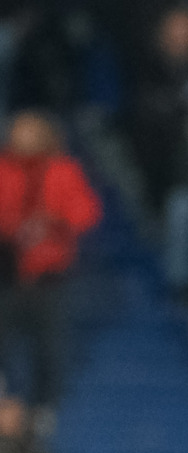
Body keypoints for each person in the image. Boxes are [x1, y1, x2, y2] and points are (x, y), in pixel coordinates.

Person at [0, 112, 103, 419]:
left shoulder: (64, 170)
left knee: (49, 345)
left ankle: (43, 408)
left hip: (49, 273)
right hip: (7, 269)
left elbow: (86, 213)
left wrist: (54, 221)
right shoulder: (4, 168)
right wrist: (15, 228)